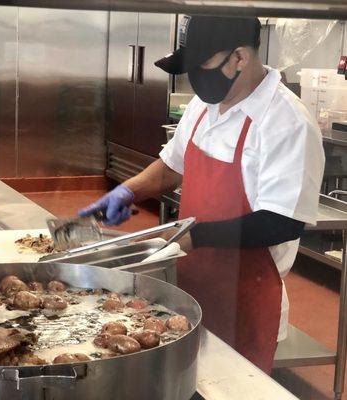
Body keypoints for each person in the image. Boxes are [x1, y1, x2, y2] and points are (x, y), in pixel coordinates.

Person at [79, 15, 325, 373]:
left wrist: (191, 237)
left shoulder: (287, 122)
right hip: (188, 285)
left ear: (239, 58)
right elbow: (172, 166)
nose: (195, 79)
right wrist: (128, 191)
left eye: (201, 67)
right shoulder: (205, 104)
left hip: (245, 299)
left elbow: (281, 223)